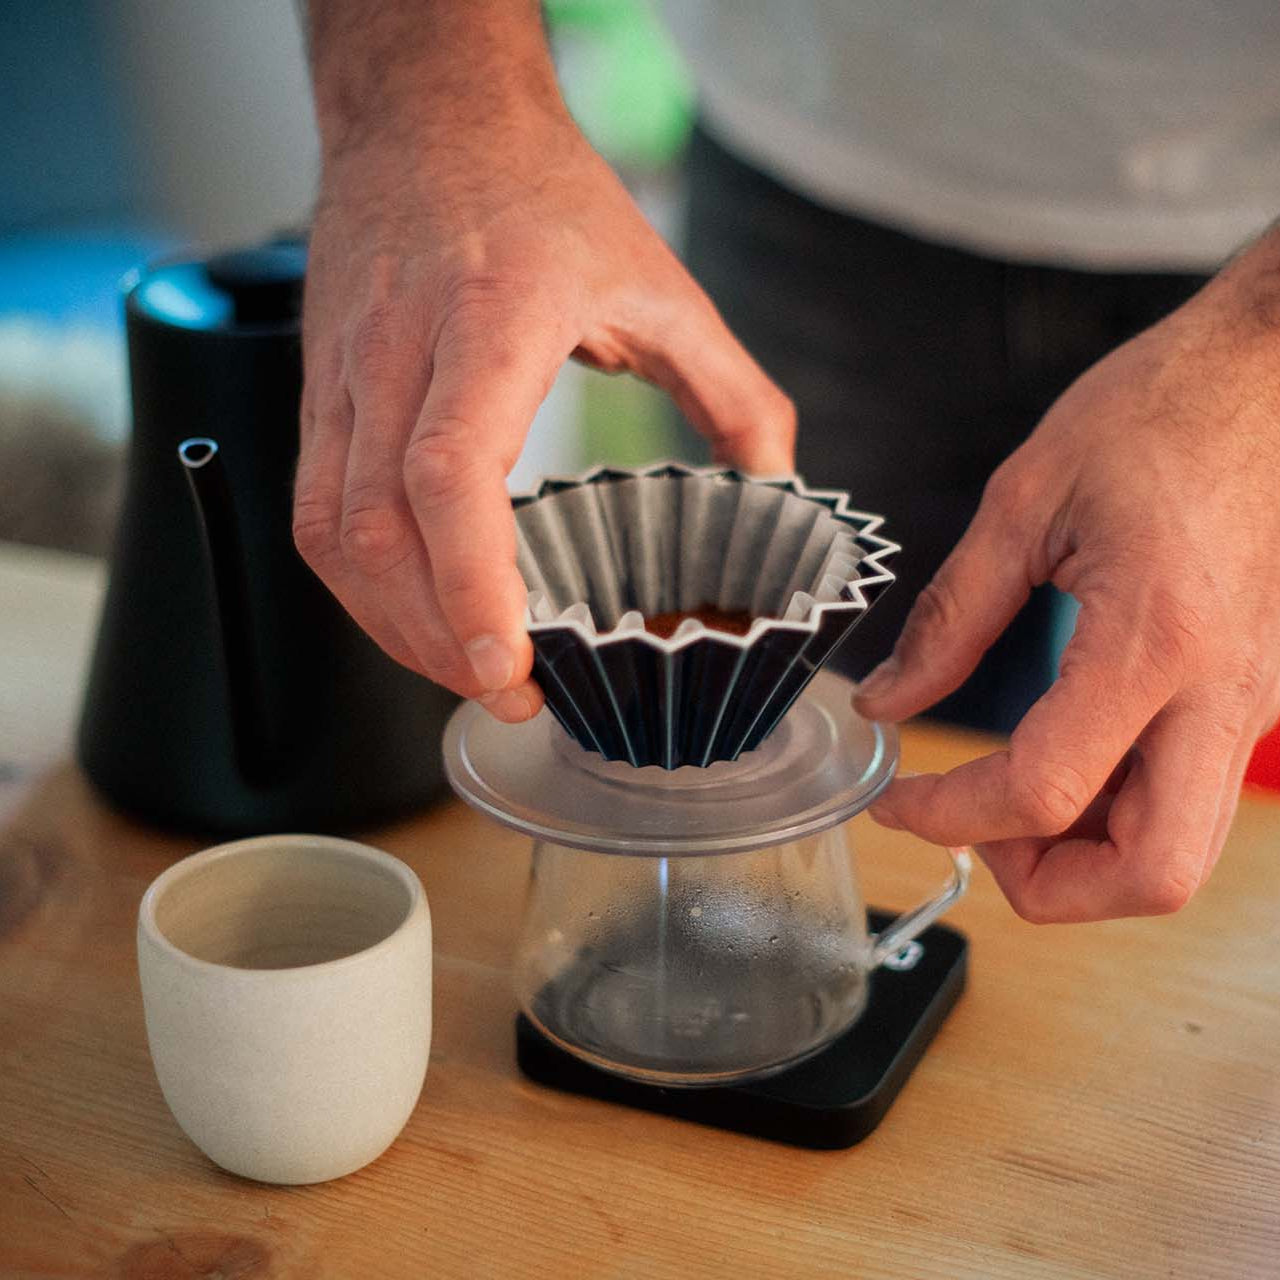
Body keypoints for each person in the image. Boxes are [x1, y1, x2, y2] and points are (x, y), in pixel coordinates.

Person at [292, 1, 1280, 923]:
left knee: (1155, 778)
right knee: (757, 758)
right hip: (800, 161)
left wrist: (1259, 355)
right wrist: (427, 104)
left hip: (1249, 236)